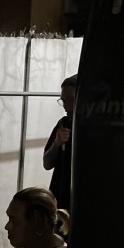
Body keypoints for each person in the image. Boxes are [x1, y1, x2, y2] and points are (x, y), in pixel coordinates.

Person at [43, 74, 77, 210]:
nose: (66, 107)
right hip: (60, 198)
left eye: (71, 100)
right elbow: (47, 164)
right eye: (63, 101)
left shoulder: (96, 129)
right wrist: (57, 143)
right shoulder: (63, 123)